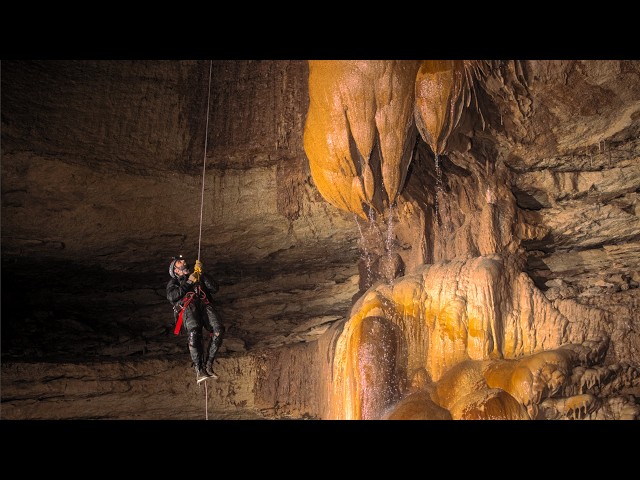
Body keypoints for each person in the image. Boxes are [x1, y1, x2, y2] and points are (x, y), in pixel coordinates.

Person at [166, 255, 224, 382]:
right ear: (176, 270)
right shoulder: (174, 282)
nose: (183, 261)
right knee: (194, 333)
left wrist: (202, 274)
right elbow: (172, 296)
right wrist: (189, 283)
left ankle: (208, 365)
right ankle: (199, 370)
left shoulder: (197, 274)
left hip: (204, 305)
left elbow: (214, 288)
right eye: (179, 261)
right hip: (188, 307)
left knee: (218, 330)